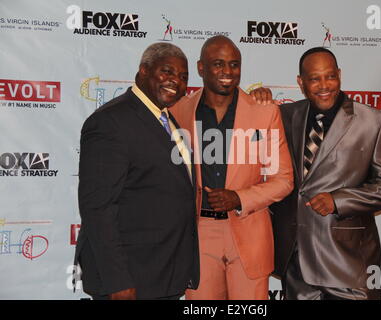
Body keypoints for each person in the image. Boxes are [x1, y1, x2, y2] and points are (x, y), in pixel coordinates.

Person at [269, 47, 381, 300]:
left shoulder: (374, 122)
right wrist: (256, 98)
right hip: (297, 266)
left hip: (349, 266)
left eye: (330, 76)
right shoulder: (284, 116)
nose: (324, 85)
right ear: (301, 82)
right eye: (314, 79)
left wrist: (339, 200)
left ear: (340, 75)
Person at [170, 35, 294, 300]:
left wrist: (239, 197)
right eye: (218, 64)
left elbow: (283, 179)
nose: (227, 72)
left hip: (248, 229)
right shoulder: (179, 111)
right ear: (201, 68)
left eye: (234, 64)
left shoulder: (264, 112)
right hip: (198, 231)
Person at [74, 43, 199, 300]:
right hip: (129, 279)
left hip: (163, 274)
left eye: (183, 77)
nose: (175, 81)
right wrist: (117, 281)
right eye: (167, 71)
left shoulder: (167, 119)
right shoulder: (110, 121)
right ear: (143, 71)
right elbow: (98, 208)